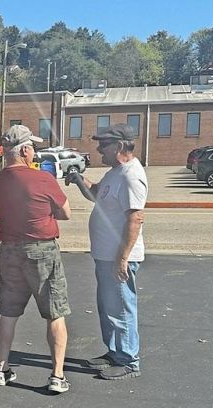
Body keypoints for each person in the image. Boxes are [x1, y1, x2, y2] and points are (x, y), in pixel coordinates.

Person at [0, 125, 72, 393]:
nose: (35, 152)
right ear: (24, 150)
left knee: (8, 314)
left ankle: (1, 369)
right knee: (55, 313)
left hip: (9, 251)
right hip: (41, 251)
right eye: (33, 147)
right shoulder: (42, 179)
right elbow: (66, 213)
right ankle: (57, 376)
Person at [65, 123, 147, 380]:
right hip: (106, 256)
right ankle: (114, 353)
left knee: (121, 308)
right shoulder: (115, 172)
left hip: (118, 258)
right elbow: (97, 194)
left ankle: (128, 361)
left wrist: (122, 259)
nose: (99, 149)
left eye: (104, 144)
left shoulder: (131, 175)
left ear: (120, 146)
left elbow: (135, 219)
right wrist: (79, 179)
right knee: (109, 307)